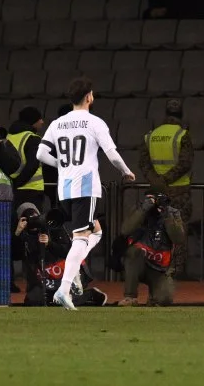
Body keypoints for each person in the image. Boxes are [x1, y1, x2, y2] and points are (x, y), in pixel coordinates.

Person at [35, 78, 136, 310]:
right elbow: (111, 154)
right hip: (85, 186)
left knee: (96, 232)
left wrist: (61, 164)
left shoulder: (58, 123)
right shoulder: (94, 122)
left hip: (64, 188)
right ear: (89, 97)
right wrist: (126, 171)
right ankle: (64, 288)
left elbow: (41, 154)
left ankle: (73, 265)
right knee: (81, 237)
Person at [138, 99, 193, 278]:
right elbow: (185, 163)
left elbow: (143, 163)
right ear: (181, 114)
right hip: (179, 193)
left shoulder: (150, 135)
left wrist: (157, 181)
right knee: (179, 231)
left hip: (157, 192)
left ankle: (156, 269)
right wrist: (167, 180)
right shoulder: (183, 134)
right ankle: (175, 271)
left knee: (156, 231)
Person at [14, 202, 107, 307]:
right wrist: (18, 233)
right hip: (43, 278)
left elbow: (68, 251)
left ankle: (89, 295)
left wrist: (49, 244)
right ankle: (82, 297)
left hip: (64, 273)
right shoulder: (22, 234)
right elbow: (16, 256)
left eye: (35, 217)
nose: (33, 221)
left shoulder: (52, 224)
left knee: (58, 297)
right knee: (34, 301)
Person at [118, 193, 184, 306]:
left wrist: (166, 214)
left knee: (164, 299)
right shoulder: (140, 209)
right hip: (139, 264)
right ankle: (130, 297)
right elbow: (125, 230)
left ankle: (154, 297)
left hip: (160, 268)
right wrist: (144, 209)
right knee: (133, 252)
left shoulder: (172, 212)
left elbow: (178, 239)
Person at [7, 106, 48, 209]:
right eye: (40, 119)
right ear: (33, 121)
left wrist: (12, 185)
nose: (42, 122)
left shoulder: (7, 137)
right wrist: (18, 183)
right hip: (31, 190)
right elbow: (32, 166)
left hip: (9, 189)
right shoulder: (33, 139)